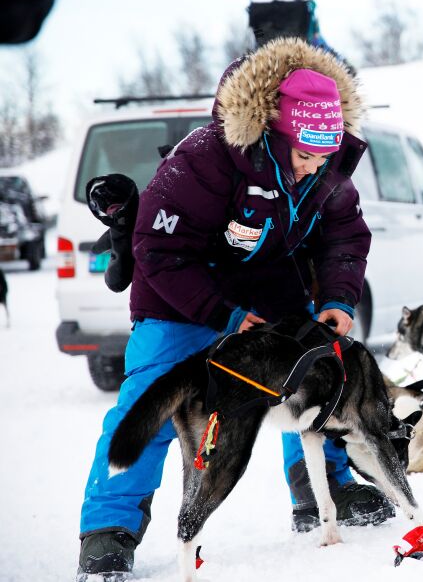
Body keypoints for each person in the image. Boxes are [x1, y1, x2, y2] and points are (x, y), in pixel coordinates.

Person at [77, 37, 392, 580]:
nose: (314, 166)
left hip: (269, 289)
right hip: (179, 297)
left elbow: (344, 232)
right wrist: (220, 313)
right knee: (151, 404)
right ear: (274, 130)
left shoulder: (328, 162)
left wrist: (339, 298)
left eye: (324, 154)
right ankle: (108, 533)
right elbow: (157, 248)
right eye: (304, 154)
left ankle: (322, 491)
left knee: (313, 380)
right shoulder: (205, 157)